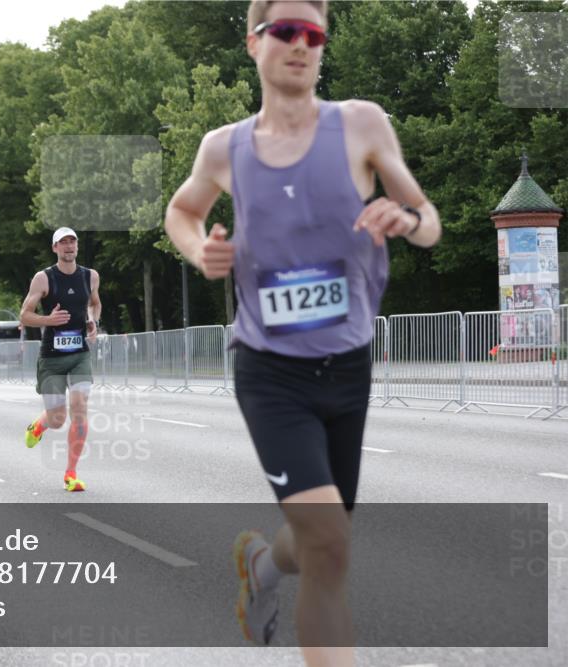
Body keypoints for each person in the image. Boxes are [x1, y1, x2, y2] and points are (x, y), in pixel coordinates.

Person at [163, 2, 441, 663]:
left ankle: (261, 563)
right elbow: (181, 210)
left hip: (347, 362)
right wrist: (201, 249)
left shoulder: (362, 125)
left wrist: (406, 220)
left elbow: (429, 219)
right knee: (330, 546)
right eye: (285, 31)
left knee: (323, 534)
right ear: (253, 42)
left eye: (313, 34)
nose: (300, 44)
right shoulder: (223, 148)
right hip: (269, 368)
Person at [19, 227, 101, 492]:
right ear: (55, 248)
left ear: (77, 246)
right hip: (52, 358)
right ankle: (39, 425)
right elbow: (24, 315)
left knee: (80, 408)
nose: (68, 246)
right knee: (57, 419)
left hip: (79, 355)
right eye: (62, 242)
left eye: (72, 242)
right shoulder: (43, 279)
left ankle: (71, 473)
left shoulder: (90, 276)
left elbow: (95, 303)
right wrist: (48, 320)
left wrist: (92, 321)